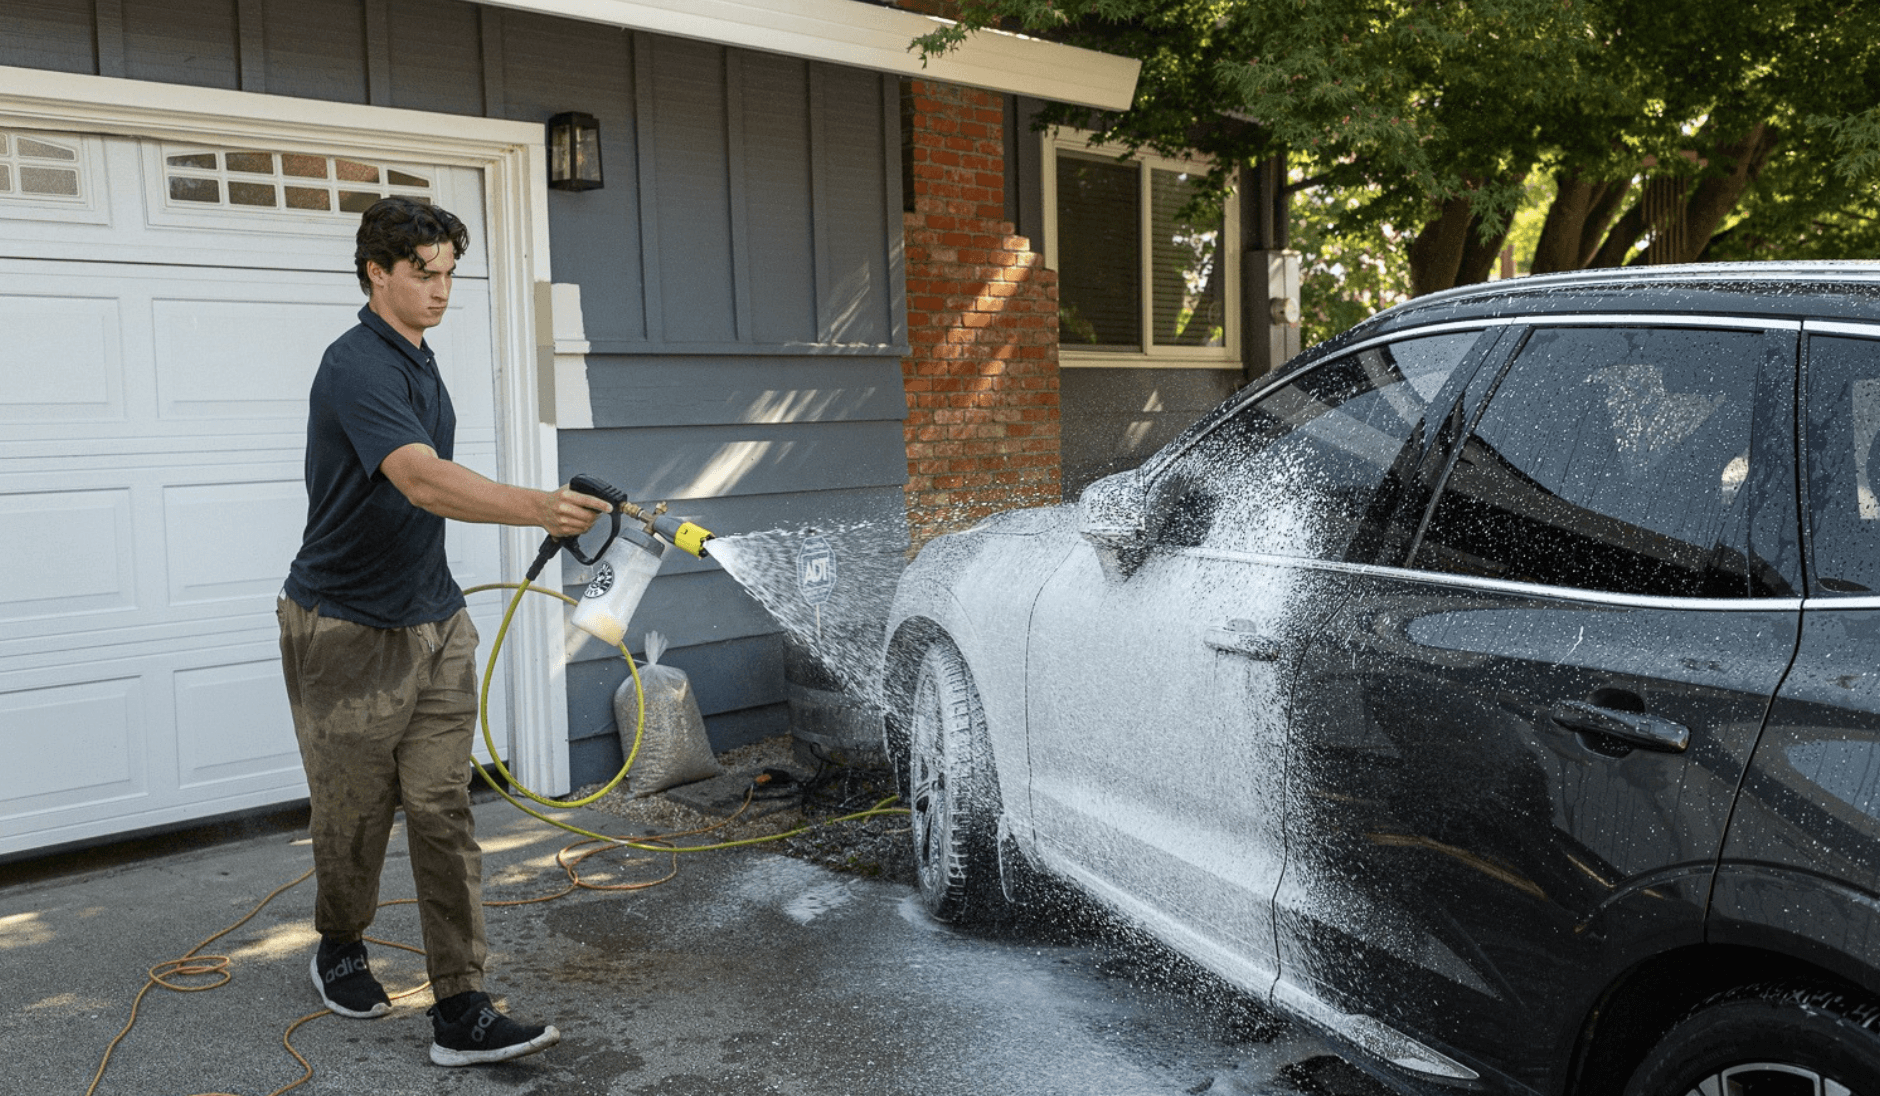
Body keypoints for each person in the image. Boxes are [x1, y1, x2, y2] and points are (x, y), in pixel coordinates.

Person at [278, 196, 608, 1066]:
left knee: (442, 809)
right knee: (354, 814)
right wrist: (539, 505)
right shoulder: (356, 365)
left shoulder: (420, 360)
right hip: (344, 626)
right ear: (376, 272)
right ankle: (340, 944)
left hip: (436, 620)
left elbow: (428, 488)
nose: (441, 290)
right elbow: (421, 481)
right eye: (423, 273)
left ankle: (460, 1009)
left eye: (450, 273)